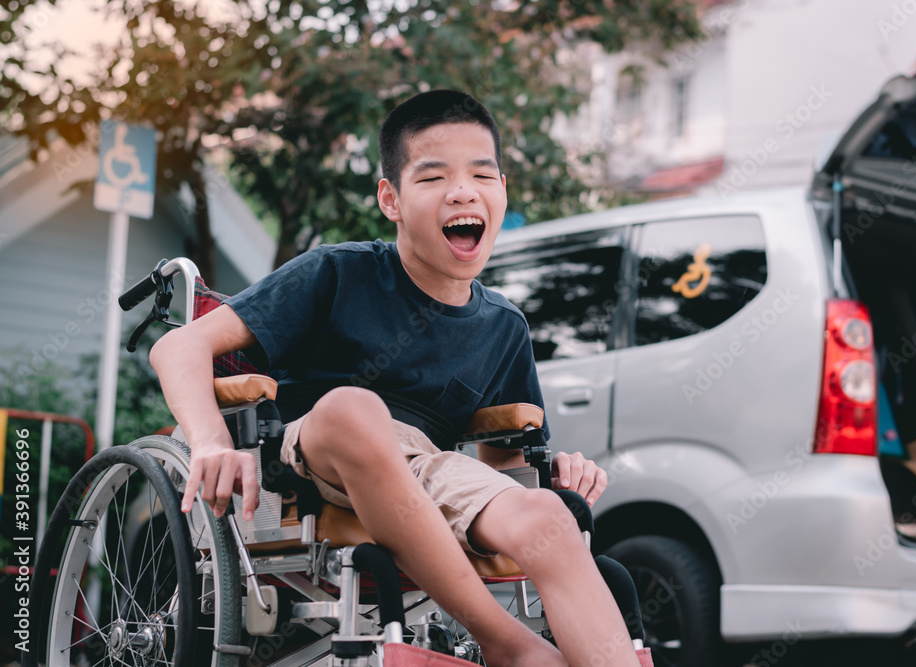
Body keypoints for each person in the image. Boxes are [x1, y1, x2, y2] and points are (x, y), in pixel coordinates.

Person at [150, 89, 641, 667]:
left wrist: (550, 473)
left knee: (549, 518)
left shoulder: (503, 326)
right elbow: (178, 346)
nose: (463, 190)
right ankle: (508, 644)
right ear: (392, 199)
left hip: (428, 469)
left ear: (502, 190)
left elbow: (500, 466)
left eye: (483, 174)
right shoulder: (338, 272)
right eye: (433, 177)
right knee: (356, 408)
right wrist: (209, 438)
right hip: (308, 459)